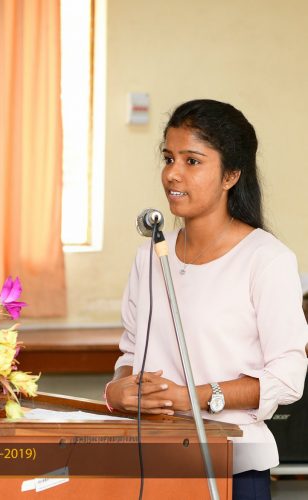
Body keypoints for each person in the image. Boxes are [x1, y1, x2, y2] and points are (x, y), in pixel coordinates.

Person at [105, 99, 308, 499]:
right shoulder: (150, 255)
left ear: (231, 175)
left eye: (192, 161)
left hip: (232, 465)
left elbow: (286, 377)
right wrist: (117, 390)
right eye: (169, 158)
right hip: (152, 462)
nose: (172, 173)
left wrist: (191, 397)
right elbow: (131, 352)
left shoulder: (266, 259)